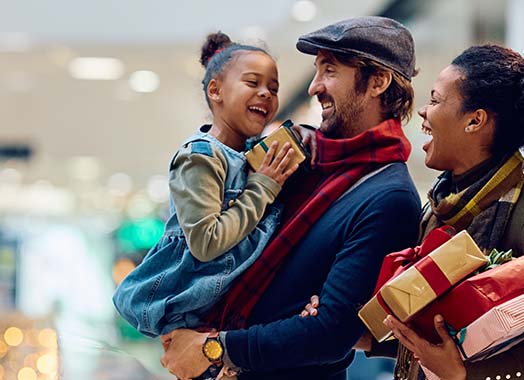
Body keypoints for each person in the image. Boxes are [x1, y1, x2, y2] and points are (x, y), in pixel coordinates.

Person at [303, 38, 524, 380]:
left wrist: (464, 373)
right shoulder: (437, 207)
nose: (423, 110)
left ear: (475, 120)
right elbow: (434, 340)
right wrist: (361, 336)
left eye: (435, 99)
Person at [160, 16, 422, 379]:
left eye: (329, 71)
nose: (314, 87)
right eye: (317, 71)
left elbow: (330, 332)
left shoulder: (388, 196)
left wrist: (214, 347)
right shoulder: (303, 160)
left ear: (378, 81)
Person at [112, 32, 300, 345]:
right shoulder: (199, 156)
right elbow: (206, 242)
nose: (266, 93)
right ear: (216, 90)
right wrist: (263, 188)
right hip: (190, 308)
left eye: (273, 88)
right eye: (253, 83)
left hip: (229, 316)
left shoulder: (253, 158)